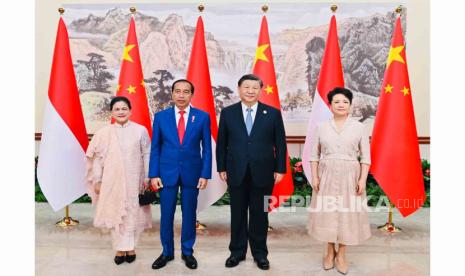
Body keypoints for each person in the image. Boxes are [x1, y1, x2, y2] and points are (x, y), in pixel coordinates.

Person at [216, 74, 287, 270]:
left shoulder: (272, 113)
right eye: (246, 87)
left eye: (254, 87)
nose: (250, 91)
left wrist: (280, 168)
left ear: (260, 90)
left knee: (260, 215)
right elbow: (222, 143)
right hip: (236, 171)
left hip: (264, 172)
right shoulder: (228, 113)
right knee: (237, 214)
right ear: (239, 89)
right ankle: (236, 253)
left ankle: (260, 254)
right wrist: (221, 167)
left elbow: (280, 143)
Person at [307, 87, 371, 274]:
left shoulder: (359, 127)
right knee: (326, 212)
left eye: (345, 102)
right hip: (326, 173)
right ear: (330, 105)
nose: (341, 105)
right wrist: (315, 177)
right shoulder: (321, 127)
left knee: (347, 214)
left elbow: (366, 157)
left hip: (350, 175)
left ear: (350, 105)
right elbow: (313, 155)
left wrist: (362, 179)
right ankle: (328, 251)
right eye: (337, 102)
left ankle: (342, 253)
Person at [149, 79, 212, 270]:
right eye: (178, 91)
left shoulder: (202, 117)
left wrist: (205, 174)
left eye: (186, 92)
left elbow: (207, 149)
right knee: (166, 214)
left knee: (189, 214)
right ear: (172, 94)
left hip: (192, 173)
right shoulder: (161, 117)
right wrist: (154, 174)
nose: (181, 95)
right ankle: (166, 252)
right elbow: (155, 148)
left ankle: (187, 252)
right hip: (166, 173)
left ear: (192, 95)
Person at [86, 96, 152, 265]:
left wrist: (147, 177)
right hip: (111, 181)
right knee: (116, 213)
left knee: (132, 213)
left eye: (124, 109)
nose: (121, 112)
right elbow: (97, 159)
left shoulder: (140, 130)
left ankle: (131, 248)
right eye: (117, 109)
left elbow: (147, 154)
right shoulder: (103, 133)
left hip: (135, 180)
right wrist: (98, 180)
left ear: (130, 111)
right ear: (111, 112)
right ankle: (119, 248)